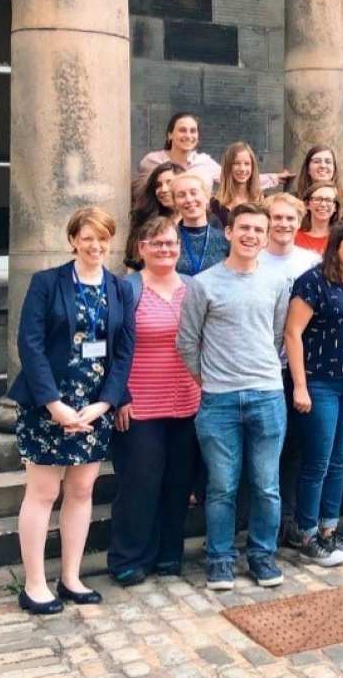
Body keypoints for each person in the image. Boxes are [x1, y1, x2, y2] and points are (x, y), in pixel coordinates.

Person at [12, 207, 135, 615]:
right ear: (73, 240)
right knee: (44, 493)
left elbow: (124, 352)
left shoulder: (120, 288)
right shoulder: (46, 283)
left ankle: (71, 577)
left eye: (103, 238)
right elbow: (30, 344)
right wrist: (54, 404)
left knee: (82, 491)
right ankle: (34, 585)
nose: (95, 245)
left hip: (94, 409)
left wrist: (104, 404)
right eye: (87, 238)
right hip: (48, 406)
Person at [176, 203, 290, 591]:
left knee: (266, 485)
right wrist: (208, 379)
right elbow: (187, 341)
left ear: (266, 236)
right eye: (244, 228)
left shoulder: (277, 282)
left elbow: (276, 336)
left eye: (258, 230)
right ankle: (220, 559)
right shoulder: (203, 284)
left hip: (267, 396)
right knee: (222, 486)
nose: (250, 236)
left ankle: (262, 556)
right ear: (228, 232)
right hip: (219, 400)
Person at [108, 216, 199, 587]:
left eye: (171, 243)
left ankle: (168, 554)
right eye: (157, 243)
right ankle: (128, 558)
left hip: (188, 401)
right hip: (139, 404)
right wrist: (118, 396)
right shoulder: (126, 289)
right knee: (139, 483)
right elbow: (112, 348)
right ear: (141, 248)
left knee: (178, 482)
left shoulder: (194, 287)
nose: (166, 249)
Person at [284, 219, 343, 567]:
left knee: (338, 461)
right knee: (317, 461)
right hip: (319, 382)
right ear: (336, 245)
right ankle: (307, 534)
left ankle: (329, 530)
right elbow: (292, 333)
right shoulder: (313, 282)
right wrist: (300, 385)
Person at [255, 192, 321, 547]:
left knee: (294, 447)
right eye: (276, 218)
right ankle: (258, 523)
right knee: (263, 450)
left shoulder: (311, 262)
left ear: (299, 222)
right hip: (259, 367)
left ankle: (289, 520)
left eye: (289, 219)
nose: (283, 224)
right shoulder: (253, 259)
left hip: (300, 367)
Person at [133, 112, 220, 198]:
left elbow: (227, 185)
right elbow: (140, 195)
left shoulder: (206, 162)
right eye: (182, 130)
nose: (188, 135)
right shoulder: (153, 161)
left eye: (193, 131)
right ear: (170, 135)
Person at [124, 161, 183, 270]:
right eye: (158, 185)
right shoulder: (145, 221)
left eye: (169, 183)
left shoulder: (194, 222)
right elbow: (132, 264)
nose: (163, 189)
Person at [170, 173, 229, 276]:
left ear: (207, 197)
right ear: (175, 203)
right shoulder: (168, 239)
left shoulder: (225, 239)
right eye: (181, 195)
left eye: (194, 193)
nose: (189, 199)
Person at [291, 145, 343, 217]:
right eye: (317, 161)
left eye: (328, 162)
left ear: (334, 169)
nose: (323, 166)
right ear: (308, 169)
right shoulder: (292, 200)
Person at [210, 141, 263, 227]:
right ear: (228, 167)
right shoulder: (215, 205)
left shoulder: (262, 201)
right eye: (236, 163)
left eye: (247, 164)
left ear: (253, 167)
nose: (242, 169)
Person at [296, 181, 342, 255]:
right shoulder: (294, 236)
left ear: (335, 207)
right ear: (307, 204)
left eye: (328, 200)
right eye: (317, 199)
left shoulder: (341, 238)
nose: (323, 204)